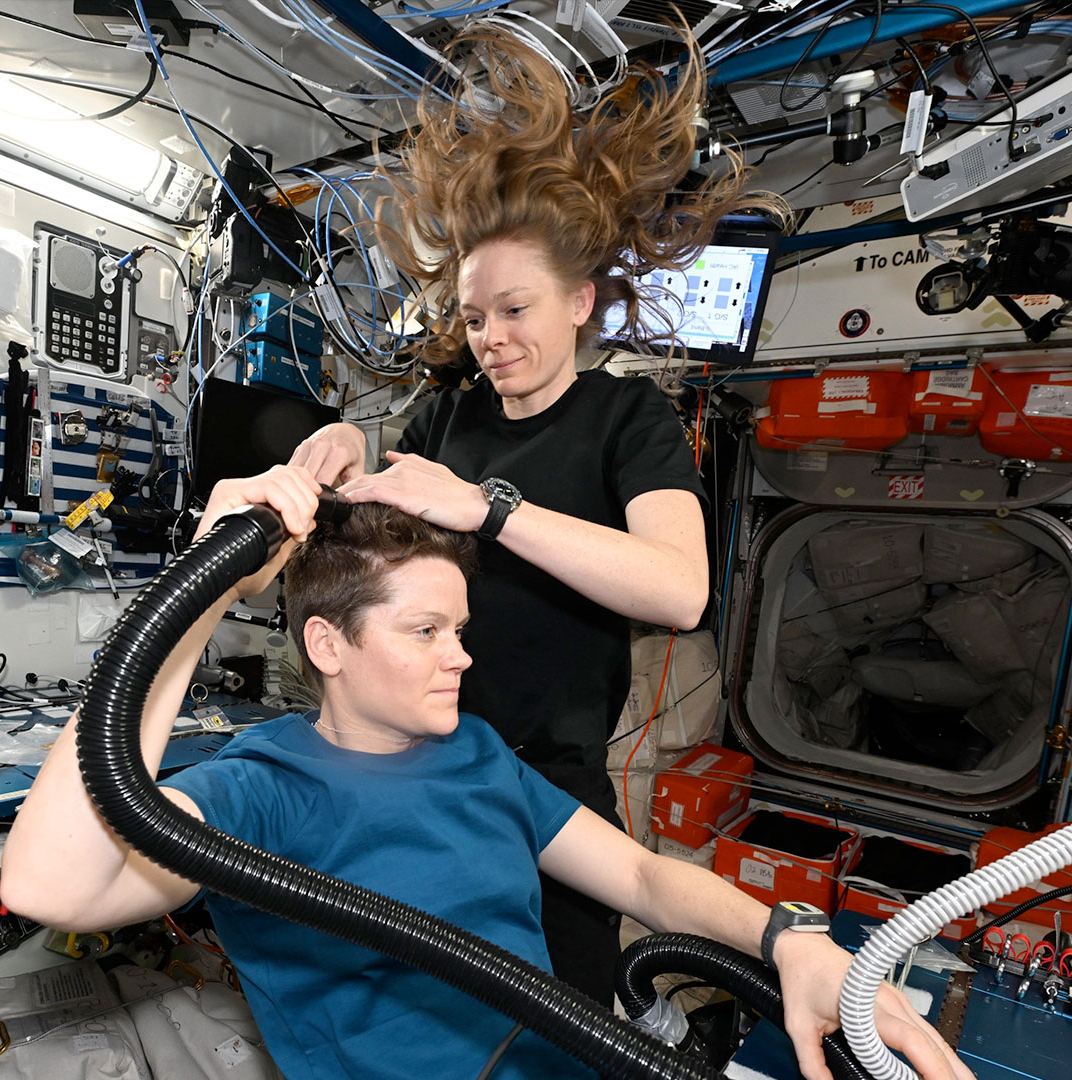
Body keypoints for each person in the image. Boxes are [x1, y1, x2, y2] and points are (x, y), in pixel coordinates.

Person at [0, 465, 971, 1080]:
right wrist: (207, 583)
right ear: (328, 645)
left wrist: (787, 937)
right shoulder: (259, 788)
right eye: (427, 631)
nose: (461, 657)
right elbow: (48, 885)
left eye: (459, 630)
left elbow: (636, 876)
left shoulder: (472, 751)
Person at [288, 25, 780, 1000]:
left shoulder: (624, 418)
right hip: (421, 763)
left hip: (552, 785)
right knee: (418, 994)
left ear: (579, 302)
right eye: (474, 318)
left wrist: (487, 506)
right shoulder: (449, 413)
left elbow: (680, 591)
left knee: (567, 1006)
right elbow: (388, 519)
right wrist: (345, 452)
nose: (491, 338)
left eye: (513, 310)